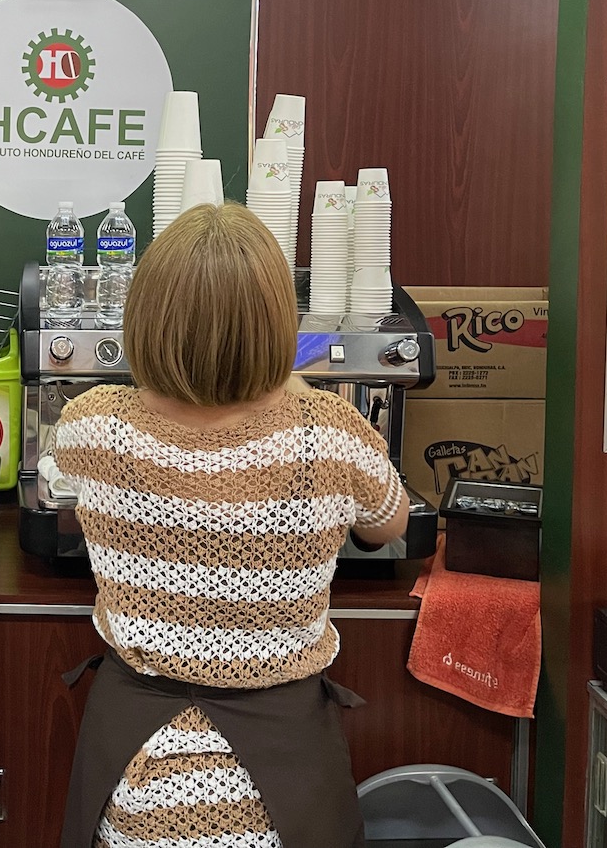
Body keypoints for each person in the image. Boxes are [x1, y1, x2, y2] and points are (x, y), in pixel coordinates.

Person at [53, 202, 409, 848]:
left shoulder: (91, 422)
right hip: (284, 793)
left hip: (136, 780)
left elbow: (70, 497)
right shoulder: (332, 433)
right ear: (279, 321)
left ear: (146, 314)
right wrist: (292, 387)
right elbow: (389, 523)